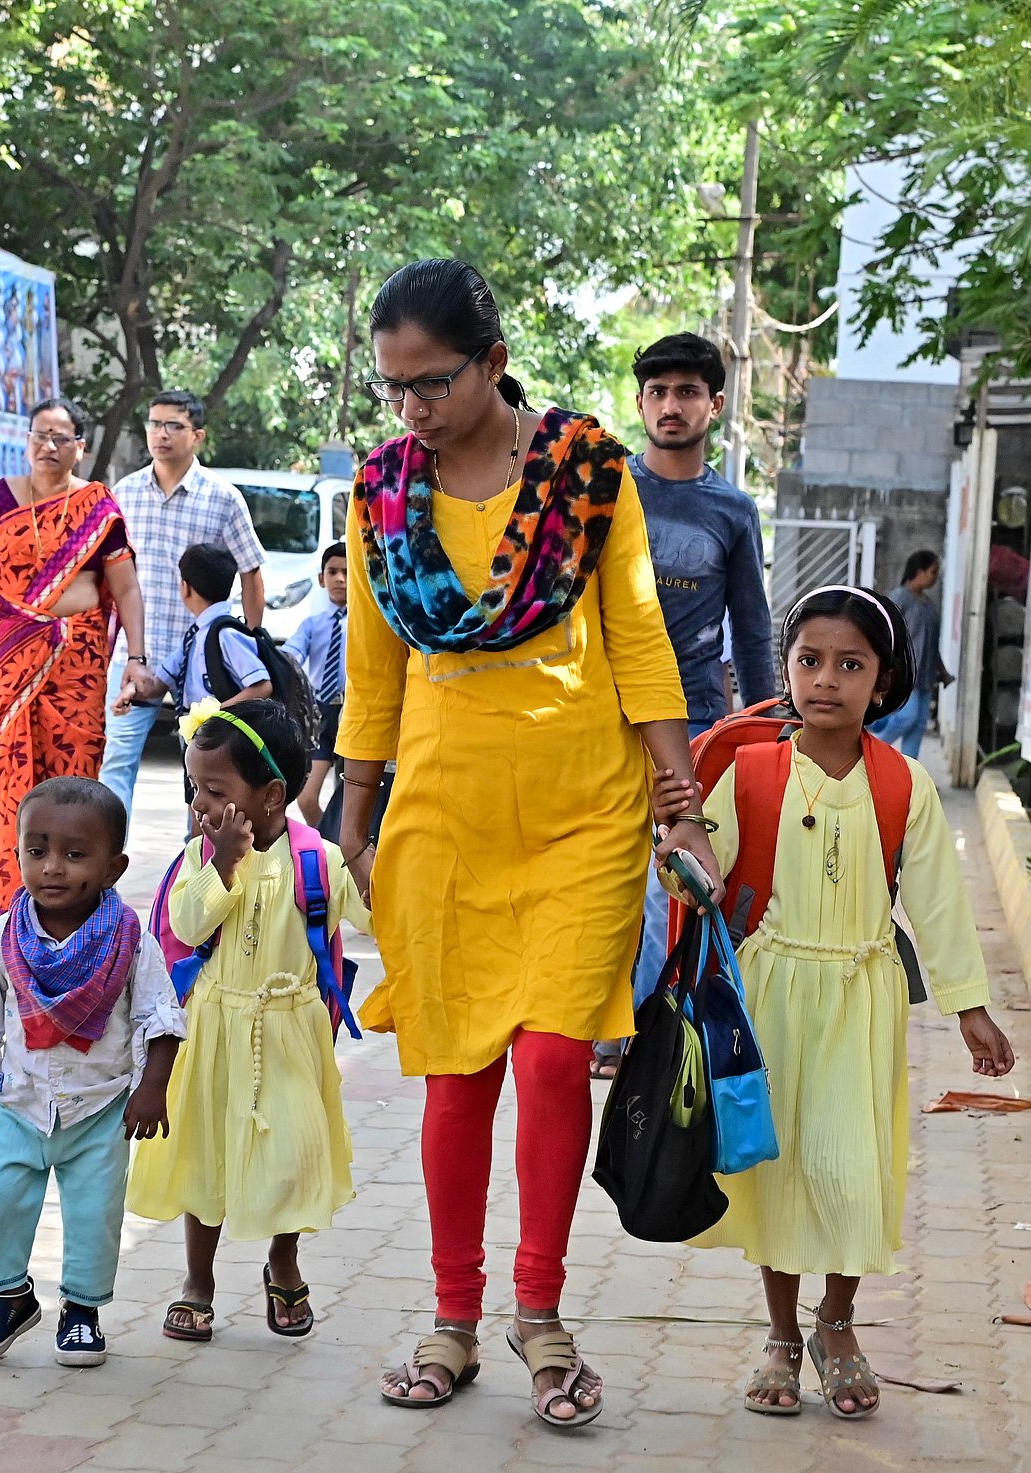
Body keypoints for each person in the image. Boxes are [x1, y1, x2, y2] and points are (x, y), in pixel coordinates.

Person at [336, 259, 720, 1428]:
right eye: (394, 388)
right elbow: (373, 663)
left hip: (584, 814)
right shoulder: (381, 493)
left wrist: (681, 798)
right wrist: (351, 805)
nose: (411, 408)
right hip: (442, 817)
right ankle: (453, 1321)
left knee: (555, 1059)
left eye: (432, 383)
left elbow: (642, 641)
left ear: (493, 363)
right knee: (458, 1071)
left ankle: (540, 1312)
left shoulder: (589, 474)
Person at [656, 585, 1014, 1421]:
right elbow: (698, 879)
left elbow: (937, 904)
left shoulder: (905, 785)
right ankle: (782, 1333)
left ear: (882, 682)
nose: (827, 679)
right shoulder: (747, 772)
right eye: (810, 660)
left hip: (861, 996)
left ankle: (839, 1320)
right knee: (781, 1173)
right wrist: (673, 842)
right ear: (785, 668)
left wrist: (969, 1006)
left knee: (853, 1170)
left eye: (850, 665)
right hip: (772, 993)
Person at [126, 700, 370, 1341]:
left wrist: (379, 862)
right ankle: (198, 1282)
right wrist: (223, 864)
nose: (200, 804)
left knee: (287, 1153)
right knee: (204, 1158)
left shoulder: (315, 860)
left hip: (289, 1031)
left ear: (270, 796)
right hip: (211, 1032)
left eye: (214, 790)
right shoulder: (198, 858)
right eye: (194, 789)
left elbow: (375, 916)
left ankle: (282, 1258)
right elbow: (185, 925)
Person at [0, 777, 185, 1367]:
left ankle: (82, 1308)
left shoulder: (132, 942)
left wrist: (152, 1088)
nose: (52, 868)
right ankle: (8, 1296)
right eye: (37, 850)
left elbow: (161, 1018)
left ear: (114, 867)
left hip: (100, 1108)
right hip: (19, 1102)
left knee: (94, 1214)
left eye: (75, 855)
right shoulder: (6, 935)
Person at [592, 332, 776, 1079]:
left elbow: (754, 626)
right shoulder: (607, 491)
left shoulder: (732, 510)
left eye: (688, 392)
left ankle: (638, 1030)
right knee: (604, 872)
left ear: (716, 405)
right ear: (640, 403)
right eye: (659, 392)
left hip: (695, 721)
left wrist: (769, 723)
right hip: (600, 720)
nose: (672, 405)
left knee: (664, 880)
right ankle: (603, 1019)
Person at [0, 396, 154, 923]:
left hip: (78, 663)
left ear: (81, 447)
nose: (48, 446)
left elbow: (126, 588)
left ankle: (68, 902)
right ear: (27, 440)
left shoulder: (97, 507)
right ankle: (8, 908)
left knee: (73, 776)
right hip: (9, 657)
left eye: (60, 438)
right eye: (39, 435)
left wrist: (136, 660)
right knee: (5, 775)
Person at [99, 391, 266, 823]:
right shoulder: (125, 493)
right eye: (154, 424)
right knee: (116, 765)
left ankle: (202, 875)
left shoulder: (223, 497)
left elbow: (251, 571)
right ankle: (106, 870)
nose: (161, 434)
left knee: (206, 775)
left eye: (173, 425)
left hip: (203, 664)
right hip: (136, 657)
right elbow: (109, 577)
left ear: (197, 435)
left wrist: (249, 639)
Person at [111, 542, 271, 820]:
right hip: (200, 747)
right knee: (201, 816)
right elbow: (158, 683)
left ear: (185, 588)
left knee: (215, 819)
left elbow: (261, 685)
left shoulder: (226, 634)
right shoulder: (196, 635)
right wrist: (133, 690)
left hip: (223, 746)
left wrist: (214, 715)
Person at [285, 542, 348, 824]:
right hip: (320, 714)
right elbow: (291, 654)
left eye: (347, 572)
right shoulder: (312, 624)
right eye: (332, 571)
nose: (340, 579)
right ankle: (327, 845)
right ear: (321, 578)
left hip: (355, 713)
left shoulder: (365, 623)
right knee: (306, 798)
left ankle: (343, 851)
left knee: (347, 799)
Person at [871, 550, 949, 759]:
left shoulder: (929, 605)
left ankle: (911, 772)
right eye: (933, 571)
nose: (935, 577)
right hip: (904, 673)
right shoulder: (899, 599)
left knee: (919, 724)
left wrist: (942, 670)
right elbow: (884, 634)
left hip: (926, 676)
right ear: (919, 571)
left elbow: (931, 643)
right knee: (907, 717)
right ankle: (869, 751)